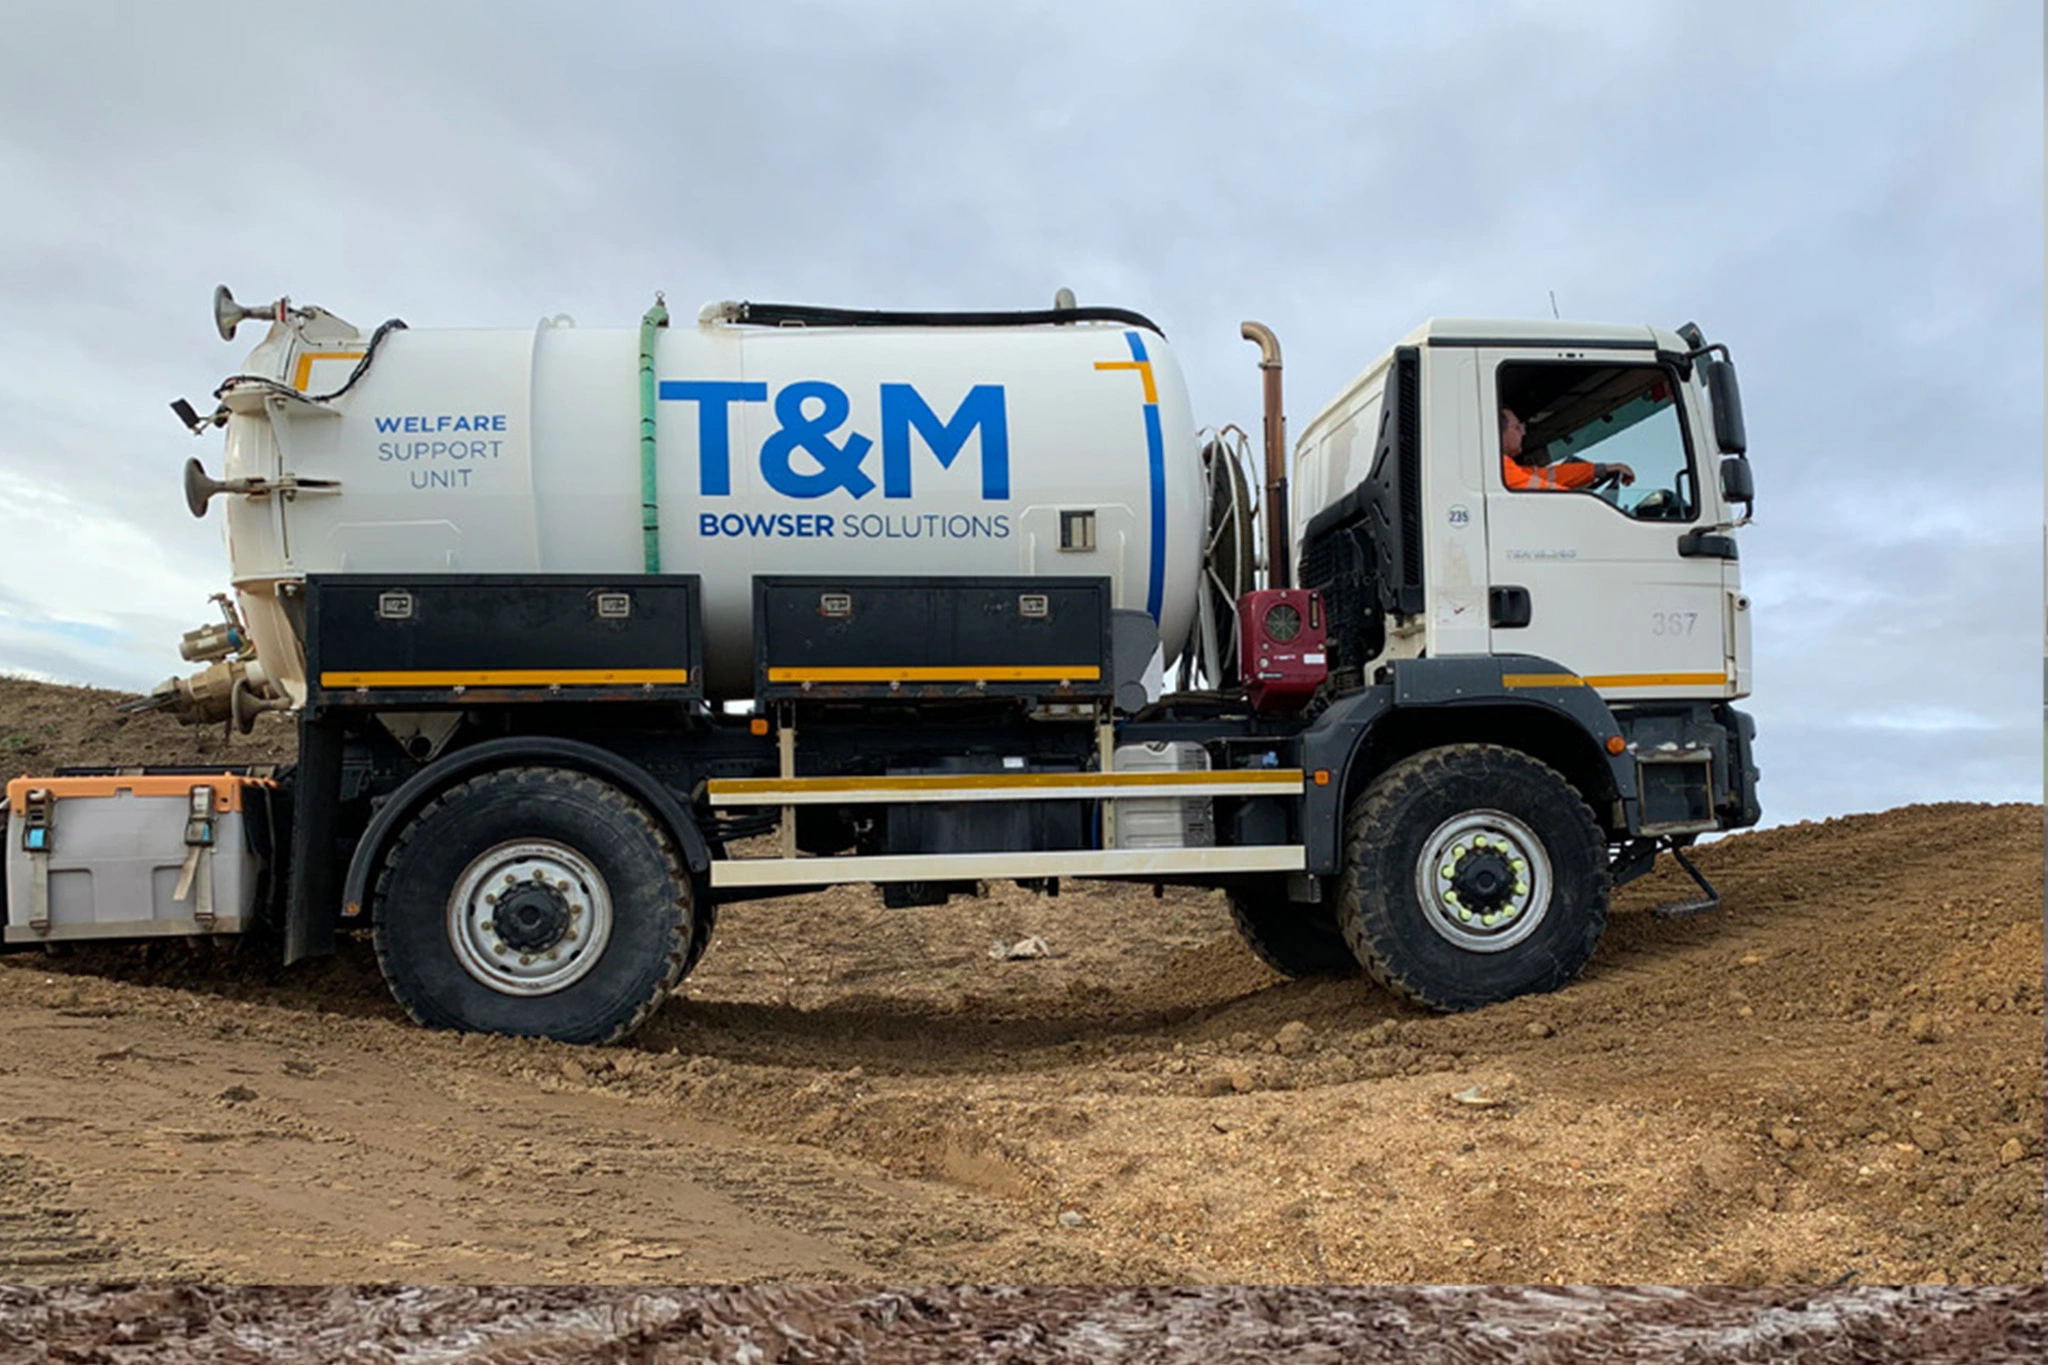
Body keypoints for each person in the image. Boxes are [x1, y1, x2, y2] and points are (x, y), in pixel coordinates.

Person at [1499, 407, 1634, 491]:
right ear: (1499, 432)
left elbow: (1548, 475)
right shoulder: (1499, 466)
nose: (1523, 433)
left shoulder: (1507, 468)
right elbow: (1546, 491)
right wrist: (1590, 503)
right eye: (1517, 427)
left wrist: (1599, 469)